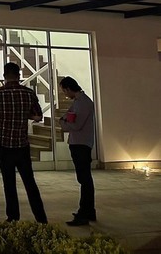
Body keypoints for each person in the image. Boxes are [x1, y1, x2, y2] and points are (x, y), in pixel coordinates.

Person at [0, 62, 48, 223]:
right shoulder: (28, 93)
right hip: (22, 145)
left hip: (4, 145)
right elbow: (38, 116)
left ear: (4, 76)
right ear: (18, 75)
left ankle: (13, 217)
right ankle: (41, 218)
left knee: (9, 182)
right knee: (30, 182)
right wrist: (24, 115)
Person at [59, 76, 96, 226]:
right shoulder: (78, 102)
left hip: (81, 144)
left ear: (69, 89)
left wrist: (64, 123)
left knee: (84, 179)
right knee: (84, 179)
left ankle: (85, 212)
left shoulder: (83, 103)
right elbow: (67, 117)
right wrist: (65, 120)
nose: (65, 94)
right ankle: (88, 210)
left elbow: (75, 124)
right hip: (78, 143)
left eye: (64, 91)